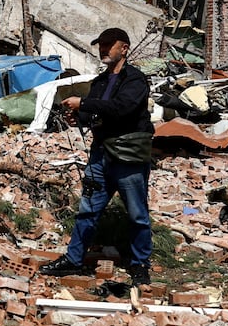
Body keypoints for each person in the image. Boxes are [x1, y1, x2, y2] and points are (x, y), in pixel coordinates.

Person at [38, 27, 154, 286]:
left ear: (124, 48)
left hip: (128, 157)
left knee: (137, 214)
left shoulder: (135, 80)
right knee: (87, 210)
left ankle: (139, 265)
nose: (103, 49)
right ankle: (74, 259)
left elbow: (122, 108)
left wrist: (83, 104)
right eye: (101, 45)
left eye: (108, 45)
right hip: (101, 155)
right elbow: (94, 114)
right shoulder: (100, 81)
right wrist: (78, 117)